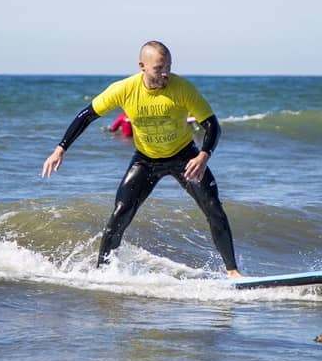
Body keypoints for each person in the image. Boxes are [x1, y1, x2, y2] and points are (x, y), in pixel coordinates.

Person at [42, 41, 242, 278]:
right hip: (146, 160)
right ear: (142, 66)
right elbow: (86, 115)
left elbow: (212, 125)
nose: (165, 73)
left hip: (184, 157)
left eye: (168, 67)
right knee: (120, 213)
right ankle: (102, 273)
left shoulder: (182, 88)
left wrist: (203, 155)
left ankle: (232, 272)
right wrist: (61, 148)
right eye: (159, 68)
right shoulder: (124, 89)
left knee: (213, 208)